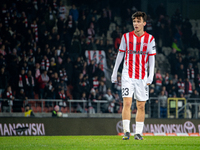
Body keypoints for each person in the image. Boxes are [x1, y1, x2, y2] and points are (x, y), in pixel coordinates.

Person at [111, 11, 156, 140]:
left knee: (141, 105)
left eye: (138, 21)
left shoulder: (150, 39)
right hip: (127, 76)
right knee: (127, 103)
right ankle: (126, 132)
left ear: (144, 23)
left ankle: (138, 133)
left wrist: (150, 75)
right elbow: (120, 55)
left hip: (142, 77)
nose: (136, 24)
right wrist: (115, 72)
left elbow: (152, 59)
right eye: (134, 21)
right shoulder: (126, 37)